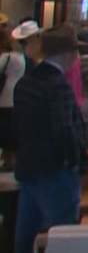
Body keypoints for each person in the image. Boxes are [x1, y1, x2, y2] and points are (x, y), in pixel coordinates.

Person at [13, 25, 88, 253]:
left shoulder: (25, 83)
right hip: (57, 173)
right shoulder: (59, 86)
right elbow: (65, 132)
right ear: (68, 54)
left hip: (28, 168)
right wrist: (78, 162)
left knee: (26, 237)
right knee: (61, 238)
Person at [0, 22, 33, 170]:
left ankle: (8, 161)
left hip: (4, 98)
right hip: (17, 97)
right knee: (11, 132)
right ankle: (10, 160)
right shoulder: (21, 57)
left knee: (4, 131)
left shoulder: (6, 57)